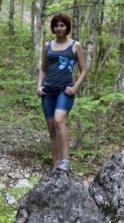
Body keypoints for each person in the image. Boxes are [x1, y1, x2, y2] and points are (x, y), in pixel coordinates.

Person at [37, 13, 88, 172]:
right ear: (53, 28)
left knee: (59, 120)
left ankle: (65, 161)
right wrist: (39, 86)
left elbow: (84, 69)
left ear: (67, 27)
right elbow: (43, 68)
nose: (59, 28)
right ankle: (55, 166)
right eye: (56, 25)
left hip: (64, 91)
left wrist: (75, 88)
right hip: (48, 91)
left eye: (62, 25)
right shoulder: (48, 46)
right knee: (51, 127)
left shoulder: (75, 45)